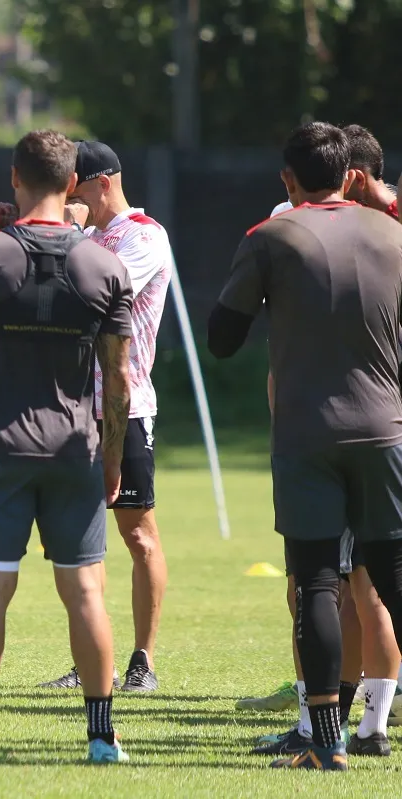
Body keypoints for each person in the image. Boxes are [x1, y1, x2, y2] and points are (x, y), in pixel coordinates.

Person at [0, 129, 134, 764]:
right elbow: (119, 380)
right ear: (73, 184)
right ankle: (101, 740)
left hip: (1, 451)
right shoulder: (105, 264)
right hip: (76, 451)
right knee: (86, 594)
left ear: (14, 178)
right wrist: (113, 457)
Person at [207, 121, 402, 771]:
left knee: (318, 581)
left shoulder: (271, 236)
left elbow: (223, 338)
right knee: (393, 579)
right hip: (386, 431)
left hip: (307, 435)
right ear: (352, 175)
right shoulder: (394, 234)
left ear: (287, 180)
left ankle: (326, 741)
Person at [26, 141, 170, 693]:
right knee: (80, 539)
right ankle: (96, 660)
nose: (65, 202)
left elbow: (91, 293)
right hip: (69, 406)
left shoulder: (144, 235)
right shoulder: (80, 237)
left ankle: (143, 660)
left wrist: (70, 234)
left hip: (125, 404)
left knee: (138, 535)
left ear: (101, 183)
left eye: (74, 191)